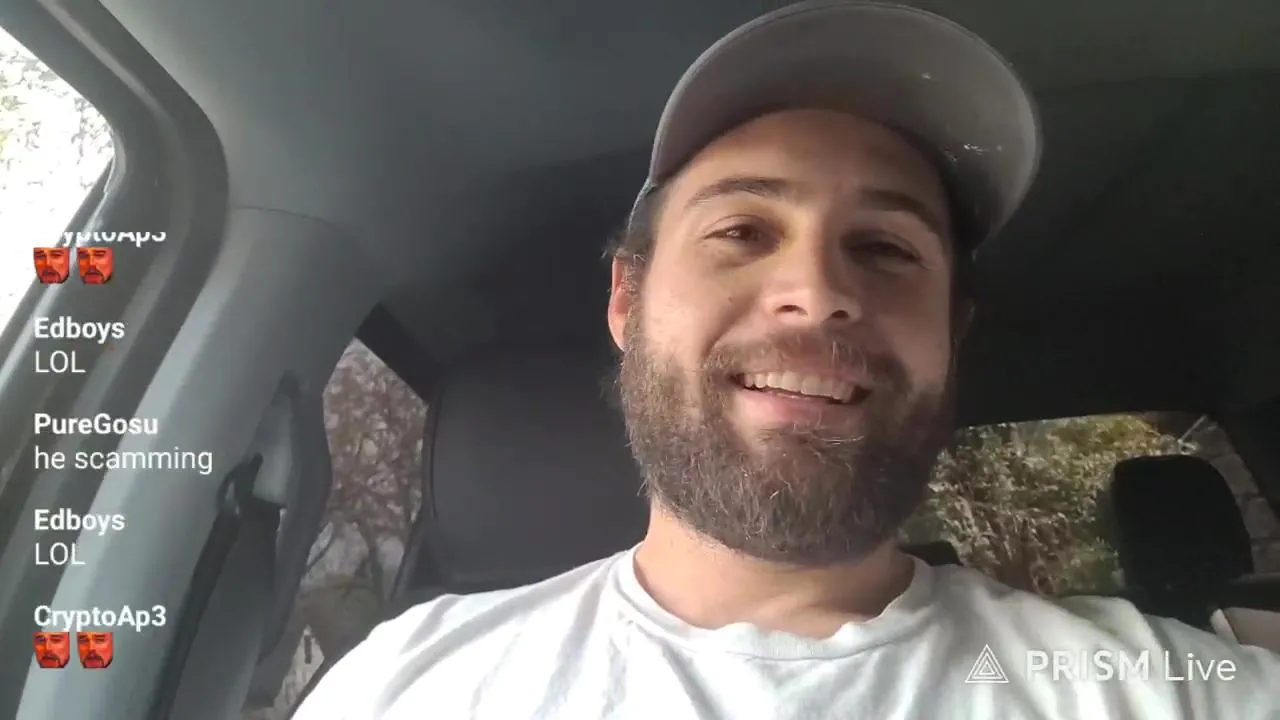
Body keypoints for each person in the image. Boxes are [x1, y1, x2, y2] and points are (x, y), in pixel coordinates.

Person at [295, 2, 1280, 717]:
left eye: (885, 247)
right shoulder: (408, 687)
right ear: (627, 301)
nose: (816, 291)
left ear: (951, 334)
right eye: (741, 232)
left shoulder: (1174, 692)